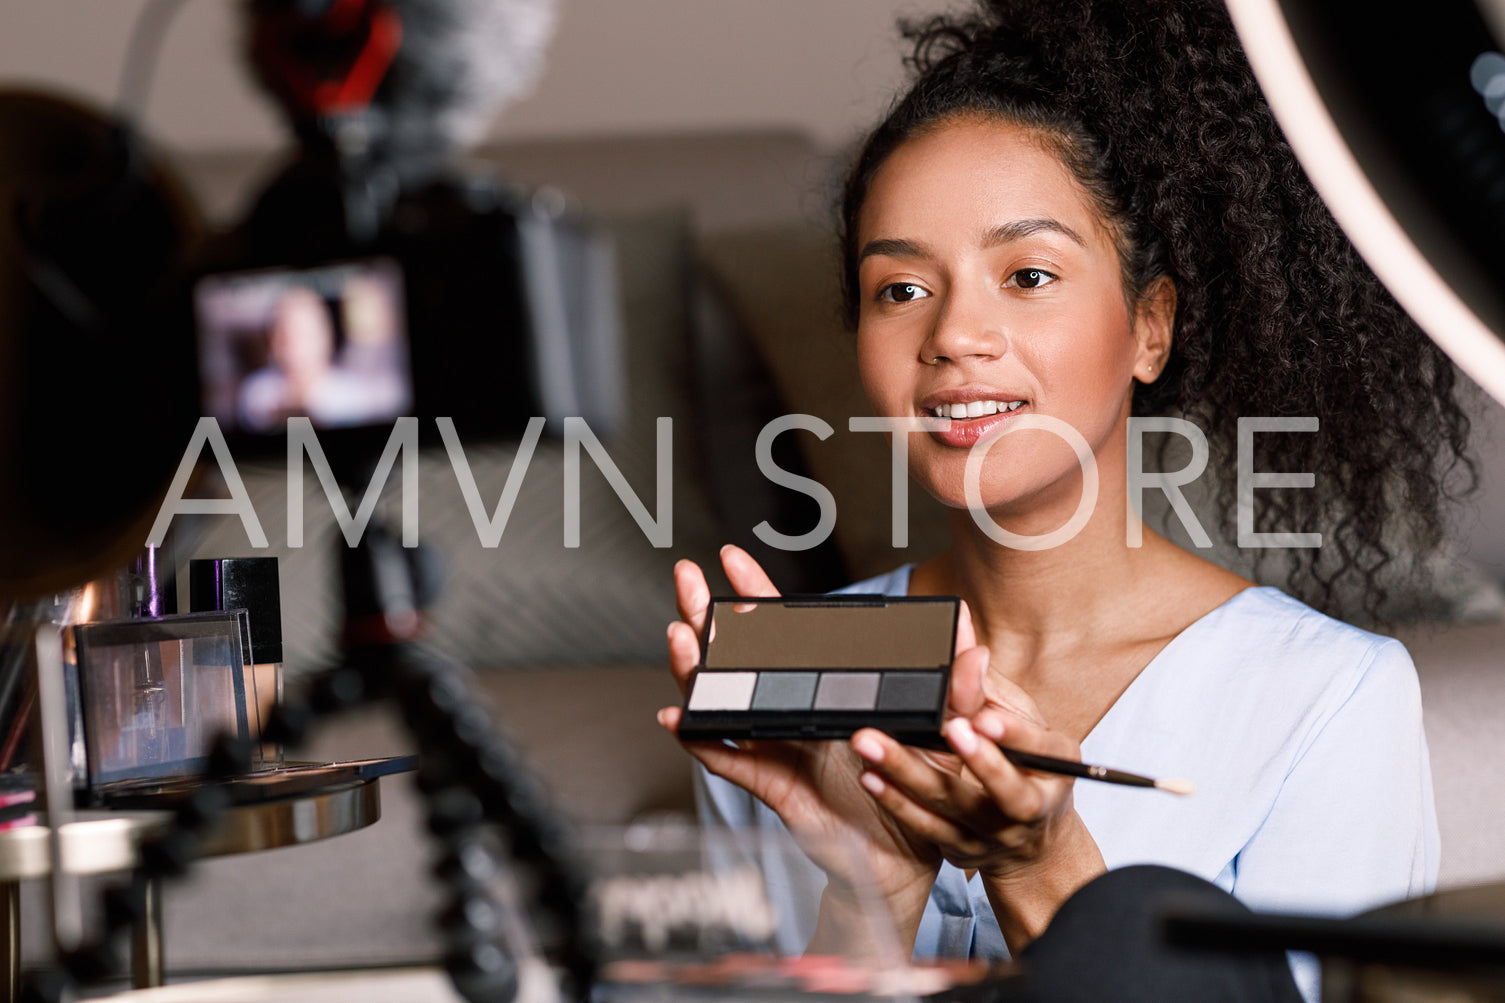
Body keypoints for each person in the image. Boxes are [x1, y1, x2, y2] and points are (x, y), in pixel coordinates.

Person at [656, 1, 1470, 1000]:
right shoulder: (789, 686)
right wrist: (868, 889)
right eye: (899, 289)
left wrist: (1038, 861)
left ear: (1149, 327)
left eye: (1026, 273)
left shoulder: (1323, 697)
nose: (954, 333)